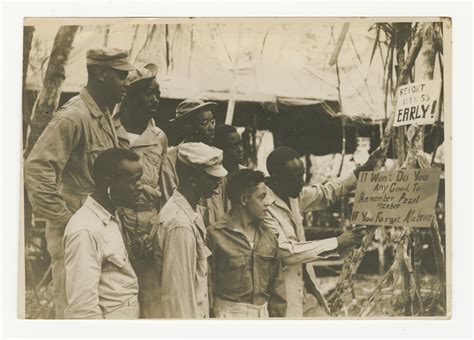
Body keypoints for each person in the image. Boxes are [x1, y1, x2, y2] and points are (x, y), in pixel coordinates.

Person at [24, 48, 134, 318]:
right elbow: (36, 168)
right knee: (76, 314)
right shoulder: (74, 116)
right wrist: (66, 220)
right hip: (76, 237)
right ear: (100, 74)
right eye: (121, 76)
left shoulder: (104, 114)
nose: (126, 83)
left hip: (99, 232)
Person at [263, 146, 380, 317]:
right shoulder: (262, 207)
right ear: (276, 179)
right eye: (295, 178)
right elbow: (286, 252)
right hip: (281, 298)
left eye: (302, 175)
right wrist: (337, 242)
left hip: (305, 292)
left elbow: (325, 193)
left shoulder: (293, 194)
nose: (301, 182)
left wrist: (359, 173)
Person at [113, 63, 168, 318]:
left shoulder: (159, 138)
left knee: (152, 301)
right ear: (130, 95)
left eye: (157, 94)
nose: (155, 99)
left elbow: (164, 188)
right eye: (148, 93)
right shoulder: (108, 131)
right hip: (116, 223)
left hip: (149, 229)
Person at [150, 143, 228, 318]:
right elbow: (178, 296)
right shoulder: (180, 225)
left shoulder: (190, 213)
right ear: (192, 180)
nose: (218, 182)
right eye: (211, 177)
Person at [63, 148, 142, 319]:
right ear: (108, 184)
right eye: (134, 181)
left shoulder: (112, 215)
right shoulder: (85, 230)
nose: (140, 188)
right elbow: (83, 311)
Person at [207, 169, 285, 318]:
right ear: (244, 199)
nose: (267, 203)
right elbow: (207, 288)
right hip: (227, 318)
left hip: (263, 318)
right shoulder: (214, 236)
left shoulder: (269, 237)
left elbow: (278, 292)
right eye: (261, 198)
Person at [160, 98, 224, 226]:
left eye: (213, 122)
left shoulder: (215, 156)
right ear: (188, 127)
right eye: (204, 123)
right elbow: (171, 202)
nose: (211, 127)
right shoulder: (171, 160)